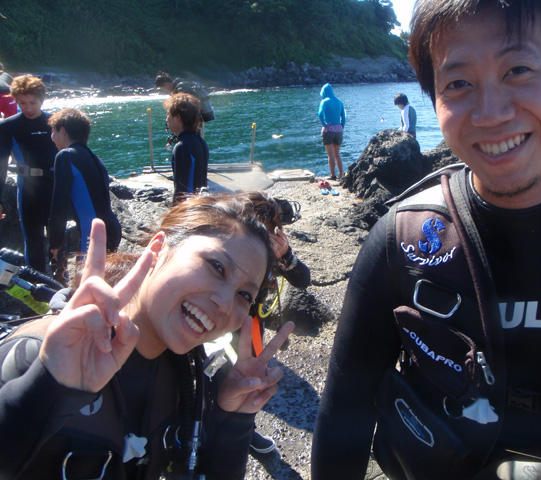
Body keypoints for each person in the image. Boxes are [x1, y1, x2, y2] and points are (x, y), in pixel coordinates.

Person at [311, 0, 541, 479]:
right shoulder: (400, 244)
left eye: (519, 69)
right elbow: (343, 417)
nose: (489, 113)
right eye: (458, 83)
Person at [0, 194, 295, 479]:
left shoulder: (187, 379)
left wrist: (232, 420)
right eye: (217, 267)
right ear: (158, 251)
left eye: (245, 294)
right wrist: (46, 388)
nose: (225, 303)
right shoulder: (38, 354)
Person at [235, 191, 311, 454]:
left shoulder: (273, 250)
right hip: (225, 319)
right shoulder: (230, 241)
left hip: (251, 322)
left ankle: (245, 430)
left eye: (268, 232)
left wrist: (286, 254)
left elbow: (303, 280)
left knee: (250, 373)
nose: (263, 238)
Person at [0, 75, 59, 273]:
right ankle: (36, 281)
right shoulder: (8, 126)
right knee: (33, 238)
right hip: (28, 187)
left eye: (33, 102)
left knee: (57, 235)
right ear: (16, 102)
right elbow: (1, 164)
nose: (29, 108)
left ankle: (60, 278)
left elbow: (70, 156)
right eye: (22, 103)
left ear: (42, 100)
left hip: (55, 185)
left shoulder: (55, 121)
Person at [48, 108, 122, 262]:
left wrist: (55, 242)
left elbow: (59, 205)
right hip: (112, 228)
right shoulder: (94, 157)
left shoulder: (65, 156)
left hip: (93, 232)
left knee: (85, 282)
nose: (52, 138)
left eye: (53, 132)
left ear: (62, 131)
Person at [164, 92, 210, 204]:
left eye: (168, 115)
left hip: (189, 211)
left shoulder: (182, 147)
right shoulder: (200, 141)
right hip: (200, 205)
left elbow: (182, 190)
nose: (167, 119)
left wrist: (175, 212)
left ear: (178, 117)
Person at [317, 83, 346, 180]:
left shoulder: (324, 101)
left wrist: (324, 124)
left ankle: (333, 175)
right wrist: (341, 127)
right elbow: (344, 117)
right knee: (337, 154)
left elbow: (320, 113)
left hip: (329, 130)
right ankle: (341, 174)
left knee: (330, 154)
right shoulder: (339, 101)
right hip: (339, 130)